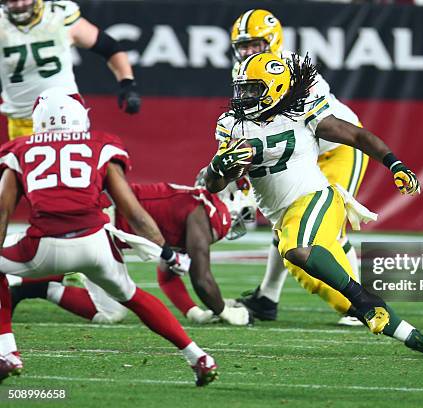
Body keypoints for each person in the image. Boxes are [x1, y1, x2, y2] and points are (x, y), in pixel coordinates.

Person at [202, 52, 423, 358]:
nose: (244, 97)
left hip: (317, 198)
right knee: (316, 273)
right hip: (284, 217)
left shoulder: (302, 112)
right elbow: (214, 185)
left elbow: (357, 136)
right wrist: (219, 167)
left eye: (253, 89)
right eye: (242, 89)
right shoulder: (232, 124)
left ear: (276, 88)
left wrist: (395, 164)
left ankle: (362, 299)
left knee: (297, 249)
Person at [0, 88, 216, 386]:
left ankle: (7, 352)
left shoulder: (19, 150)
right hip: (95, 243)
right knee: (132, 296)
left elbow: (2, 211)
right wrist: (165, 252)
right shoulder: (101, 146)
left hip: (44, 246)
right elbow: (134, 212)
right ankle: (199, 357)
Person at [229, 9, 368, 326]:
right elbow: (251, 131)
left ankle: (358, 305)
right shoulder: (242, 70)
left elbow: (319, 125)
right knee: (285, 221)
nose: (248, 51)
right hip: (299, 152)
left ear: (272, 39)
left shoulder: (298, 71)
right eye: (243, 45)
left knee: (327, 229)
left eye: (254, 43)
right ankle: (267, 298)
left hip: (335, 148)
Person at [8, 180, 255, 326]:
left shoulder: (197, 207)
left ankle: (26, 285)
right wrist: (225, 311)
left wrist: (195, 312)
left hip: (102, 225)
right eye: (244, 214)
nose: (239, 223)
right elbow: (201, 278)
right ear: (232, 200)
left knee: (51, 258)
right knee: (111, 312)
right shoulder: (206, 214)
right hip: (100, 226)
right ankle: (22, 283)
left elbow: (167, 275)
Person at [0, 0, 140, 140]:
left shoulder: (59, 16)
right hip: (23, 123)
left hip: (66, 119)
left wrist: (127, 84)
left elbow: (110, 48)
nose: (19, 5)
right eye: (12, 0)